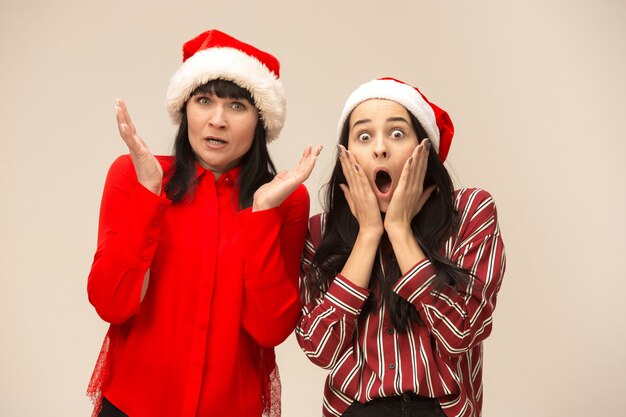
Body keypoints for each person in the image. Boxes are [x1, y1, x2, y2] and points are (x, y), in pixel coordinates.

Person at [86, 29, 321, 417]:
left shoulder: (285, 199)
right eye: (204, 100)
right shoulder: (134, 176)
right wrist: (148, 195)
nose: (217, 120)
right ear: (185, 109)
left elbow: (271, 329)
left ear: (260, 121)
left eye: (237, 106)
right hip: (132, 406)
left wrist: (261, 214)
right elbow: (111, 303)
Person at [296, 77, 505, 417]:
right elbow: (321, 350)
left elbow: (461, 333)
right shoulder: (320, 230)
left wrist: (398, 229)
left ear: (424, 149)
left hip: (443, 408)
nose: (380, 148)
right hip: (356, 408)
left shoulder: (470, 212)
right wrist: (367, 235)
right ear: (346, 157)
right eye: (364, 136)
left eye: (397, 133)